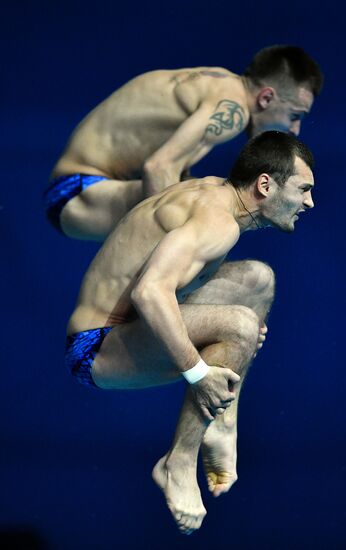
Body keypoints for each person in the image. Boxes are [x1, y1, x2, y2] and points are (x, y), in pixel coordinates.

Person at [64, 131, 315, 534]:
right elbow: (150, 292)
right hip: (95, 348)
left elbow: (166, 282)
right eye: (303, 189)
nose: (309, 202)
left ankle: (223, 422)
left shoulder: (215, 192)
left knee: (258, 280)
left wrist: (229, 332)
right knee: (240, 325)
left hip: (125, 326)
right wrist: (200, 371)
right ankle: (177, 462)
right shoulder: (218, 223)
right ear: (265, 184)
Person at [44, 45, 322, 241]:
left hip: (78, 189)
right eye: (295, 116)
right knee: (206, 210)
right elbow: (158, 167)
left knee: (206, 197)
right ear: (266, 98)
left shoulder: (219, 83)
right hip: (74, 193)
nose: (295, 129)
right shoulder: (232, 109)